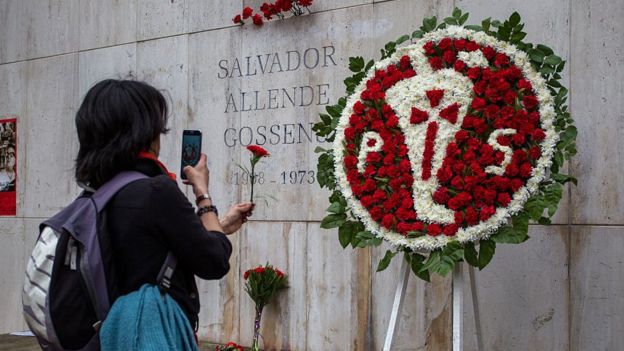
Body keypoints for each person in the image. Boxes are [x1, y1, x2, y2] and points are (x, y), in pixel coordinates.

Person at [74, 79, 253, 341]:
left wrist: (221, 225)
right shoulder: (156, 191)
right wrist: (203, 196)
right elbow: (215, 261)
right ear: (143, 133)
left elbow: (148, 244)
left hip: (112, 336)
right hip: (151, 335)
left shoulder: (96, 194)